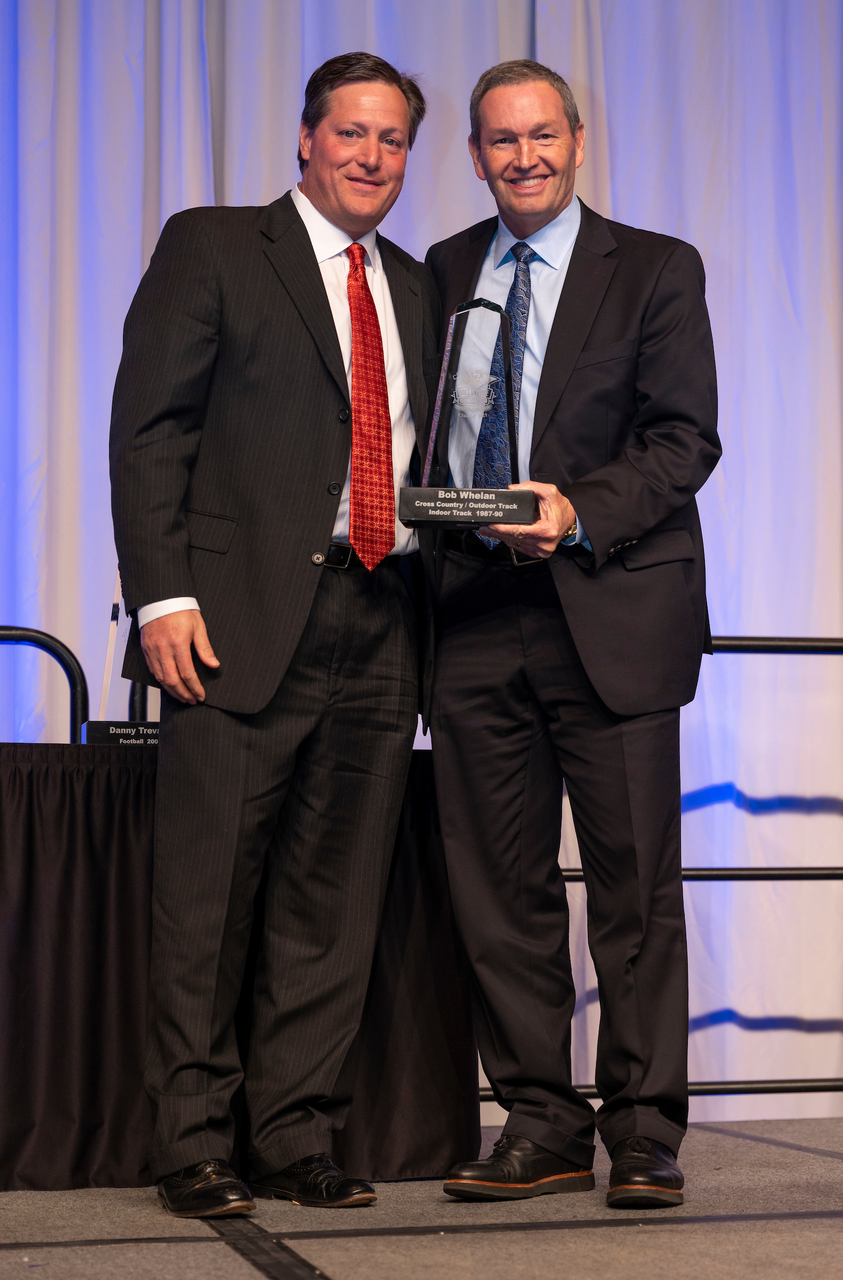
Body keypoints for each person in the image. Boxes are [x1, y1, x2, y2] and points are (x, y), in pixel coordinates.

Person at [110, 52, 440, 1218]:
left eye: (391, 139)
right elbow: (151, 429)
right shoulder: (212, 245)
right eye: (350, 132)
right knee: (205, 898)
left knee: (331, 898)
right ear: (306, 138)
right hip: (233, 620)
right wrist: (162, 594)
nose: (370, 156)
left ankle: (294, 1133)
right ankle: (193, 1141)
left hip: (381, 614)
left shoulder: (417, 286)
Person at [424, 60, 720, 1209]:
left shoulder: (654, 266)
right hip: (474, 618)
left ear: (578, 141)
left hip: (612, 609)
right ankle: (540, 1124)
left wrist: (576, 509)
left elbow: (683, 438)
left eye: (541, 135)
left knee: (634, 888)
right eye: (501, 140)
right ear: (475, 154)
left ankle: (642, 1131)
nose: (524, 157)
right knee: (499, 888)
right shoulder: (441, 268)